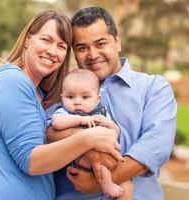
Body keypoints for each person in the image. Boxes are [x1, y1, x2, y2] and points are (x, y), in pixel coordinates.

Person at [0, 10, 122, 200]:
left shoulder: (41, 94)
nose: (52, 51)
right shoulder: (11, 80)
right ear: (28, 39)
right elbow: (31, 161)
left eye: (61, 46)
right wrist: (89, 138)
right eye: (46, 40)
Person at [46, 6, 177, 200]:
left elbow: (155, 148)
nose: (92, 54)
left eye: (100, 44)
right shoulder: (66, 89)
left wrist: (98, 182)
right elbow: (47, 131)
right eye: (82, 48)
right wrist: (90, 145)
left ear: (117, 42)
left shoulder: (153, 88)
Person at [51, 68, 133, 199]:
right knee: (100, 160)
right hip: (79, 158)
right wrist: (81, 119)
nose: (77, 101)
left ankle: (109, 183)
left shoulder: (101, 113)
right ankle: (106, 183)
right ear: (62, 97)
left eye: (85, 97)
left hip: (106, 157)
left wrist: (108, 123)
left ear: (97, 99)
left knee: (127, 185)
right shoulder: (66, 112)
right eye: (70, 97)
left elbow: (116, 132)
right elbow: (56, 123)